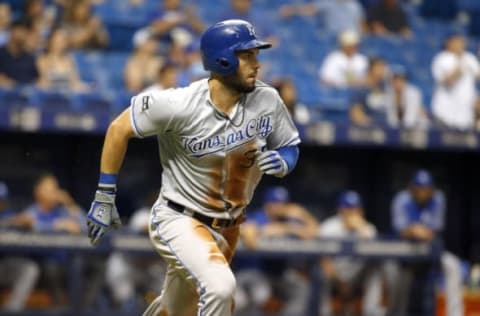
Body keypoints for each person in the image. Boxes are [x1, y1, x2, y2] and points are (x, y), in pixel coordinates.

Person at [85, 19, 301, 316]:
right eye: (247, 55)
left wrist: (285, 162)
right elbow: (119, 127)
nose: (257, 64)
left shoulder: (267, 99)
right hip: (180, 218)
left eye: (256, 55)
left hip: (230, 226)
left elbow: (290, 144)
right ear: (222, 60)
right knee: (220, 288)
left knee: (176, 309)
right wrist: (104, 194)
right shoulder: (180, 103)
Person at [390, 169, 464, 316]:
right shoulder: (402, 199)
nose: (423, 192)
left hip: (432, 252)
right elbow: (401, 230)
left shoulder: (438, 198)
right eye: (419, 188)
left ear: (431, 189)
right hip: (407, 254)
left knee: (453, 265)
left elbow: (433, 231)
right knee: (395, 273)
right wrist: (414, 231)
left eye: (426, 189)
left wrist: (415, 230)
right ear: (412, 188)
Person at [236, 186, 319, 316]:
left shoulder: (287, 221)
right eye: (276, 203)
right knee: (261, 294)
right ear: (268, 204)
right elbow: (249, 237)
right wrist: (265, 230)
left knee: (302, 288)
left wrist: (302, 214)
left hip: (280, 274)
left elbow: (314, 232)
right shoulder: (259, 217)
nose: (280, 207)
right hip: (257, 272)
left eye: (283, 204)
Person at [318, 190, 384, 316]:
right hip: (335, 277)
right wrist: (339, 282)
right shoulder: (329, 227)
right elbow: (324, 261)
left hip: (357, 277)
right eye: (347, 209)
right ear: (340, 210)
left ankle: (372, 312)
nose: (351, 213)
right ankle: (323, 312)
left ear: (361, 211)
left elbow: (376, 254)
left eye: (354, 209)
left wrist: (361, 228)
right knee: (320, 273)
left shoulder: (367, 229)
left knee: (375, 271)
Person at [0, 181, 40, 312]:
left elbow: (27, 221)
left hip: (5, 265)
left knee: (29, 268)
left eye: (1, 200)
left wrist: (24, 223)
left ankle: (12, 310)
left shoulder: (10, 214)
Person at [431, 32, 480, 130]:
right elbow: (449, 81)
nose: (460, 44)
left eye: (461, 42)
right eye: (457, 41)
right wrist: (460, 62)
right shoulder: (441, 58)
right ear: (448, 43)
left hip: (465, 116)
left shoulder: (470, 58)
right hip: (444, 114)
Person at [37, 28, 89, 92]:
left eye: (63, 41)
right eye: (58, 41)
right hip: (50, 94)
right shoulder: (43, 59)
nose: (60, 44)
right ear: (51, 42)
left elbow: (75, 80)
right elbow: (45, 80)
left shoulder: (69, 59)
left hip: (67, 92)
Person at [280, 0, 365, 35]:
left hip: (353, 39)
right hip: (333, 37)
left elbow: (361, 25)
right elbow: (310, 10)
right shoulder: (328, 2)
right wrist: (293, 10)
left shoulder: (355, 5)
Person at [385, 65, 430, 129]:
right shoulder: (389, 93)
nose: (398, 82)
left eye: (401, 79)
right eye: (395, 79)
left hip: (416, 127)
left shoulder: (413, 92)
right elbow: (391, 119)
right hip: (397, 129)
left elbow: (410, 119)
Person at [349, 57, 388, 126]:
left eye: (383, 67)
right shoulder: (361, 89)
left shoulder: (386, 88)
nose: (383, 70)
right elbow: (356, 114)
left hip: (389, 128)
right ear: (370, 69)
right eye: (379, 67)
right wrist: (372, 123)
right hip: (369, 129)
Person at [0, 19, 39, 88]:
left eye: (25, 32)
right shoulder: (2, 54)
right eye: (20, 30)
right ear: (12, 31)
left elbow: (37, 78)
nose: (23, 35)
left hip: (28, 94)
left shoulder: (29, 57)